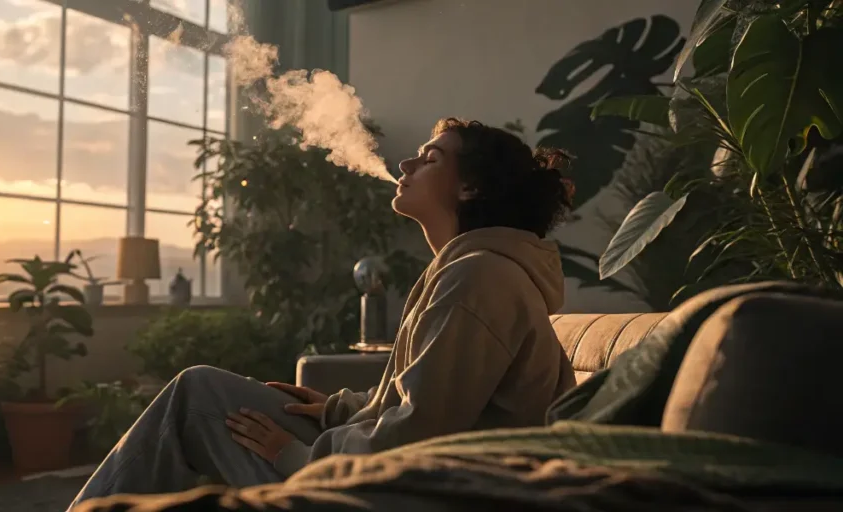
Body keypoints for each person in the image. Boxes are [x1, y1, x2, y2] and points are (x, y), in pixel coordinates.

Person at [66, 118, 577, 510]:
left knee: (193, 404)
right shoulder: (469, 269)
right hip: (396, 474)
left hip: (408, 496)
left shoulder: (480, 277)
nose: (406, 165)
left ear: (471, 188)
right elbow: (426, 399)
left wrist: (293, 456)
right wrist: (335, 408)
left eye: (430, 159)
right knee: (198, 390)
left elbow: (421, 432)